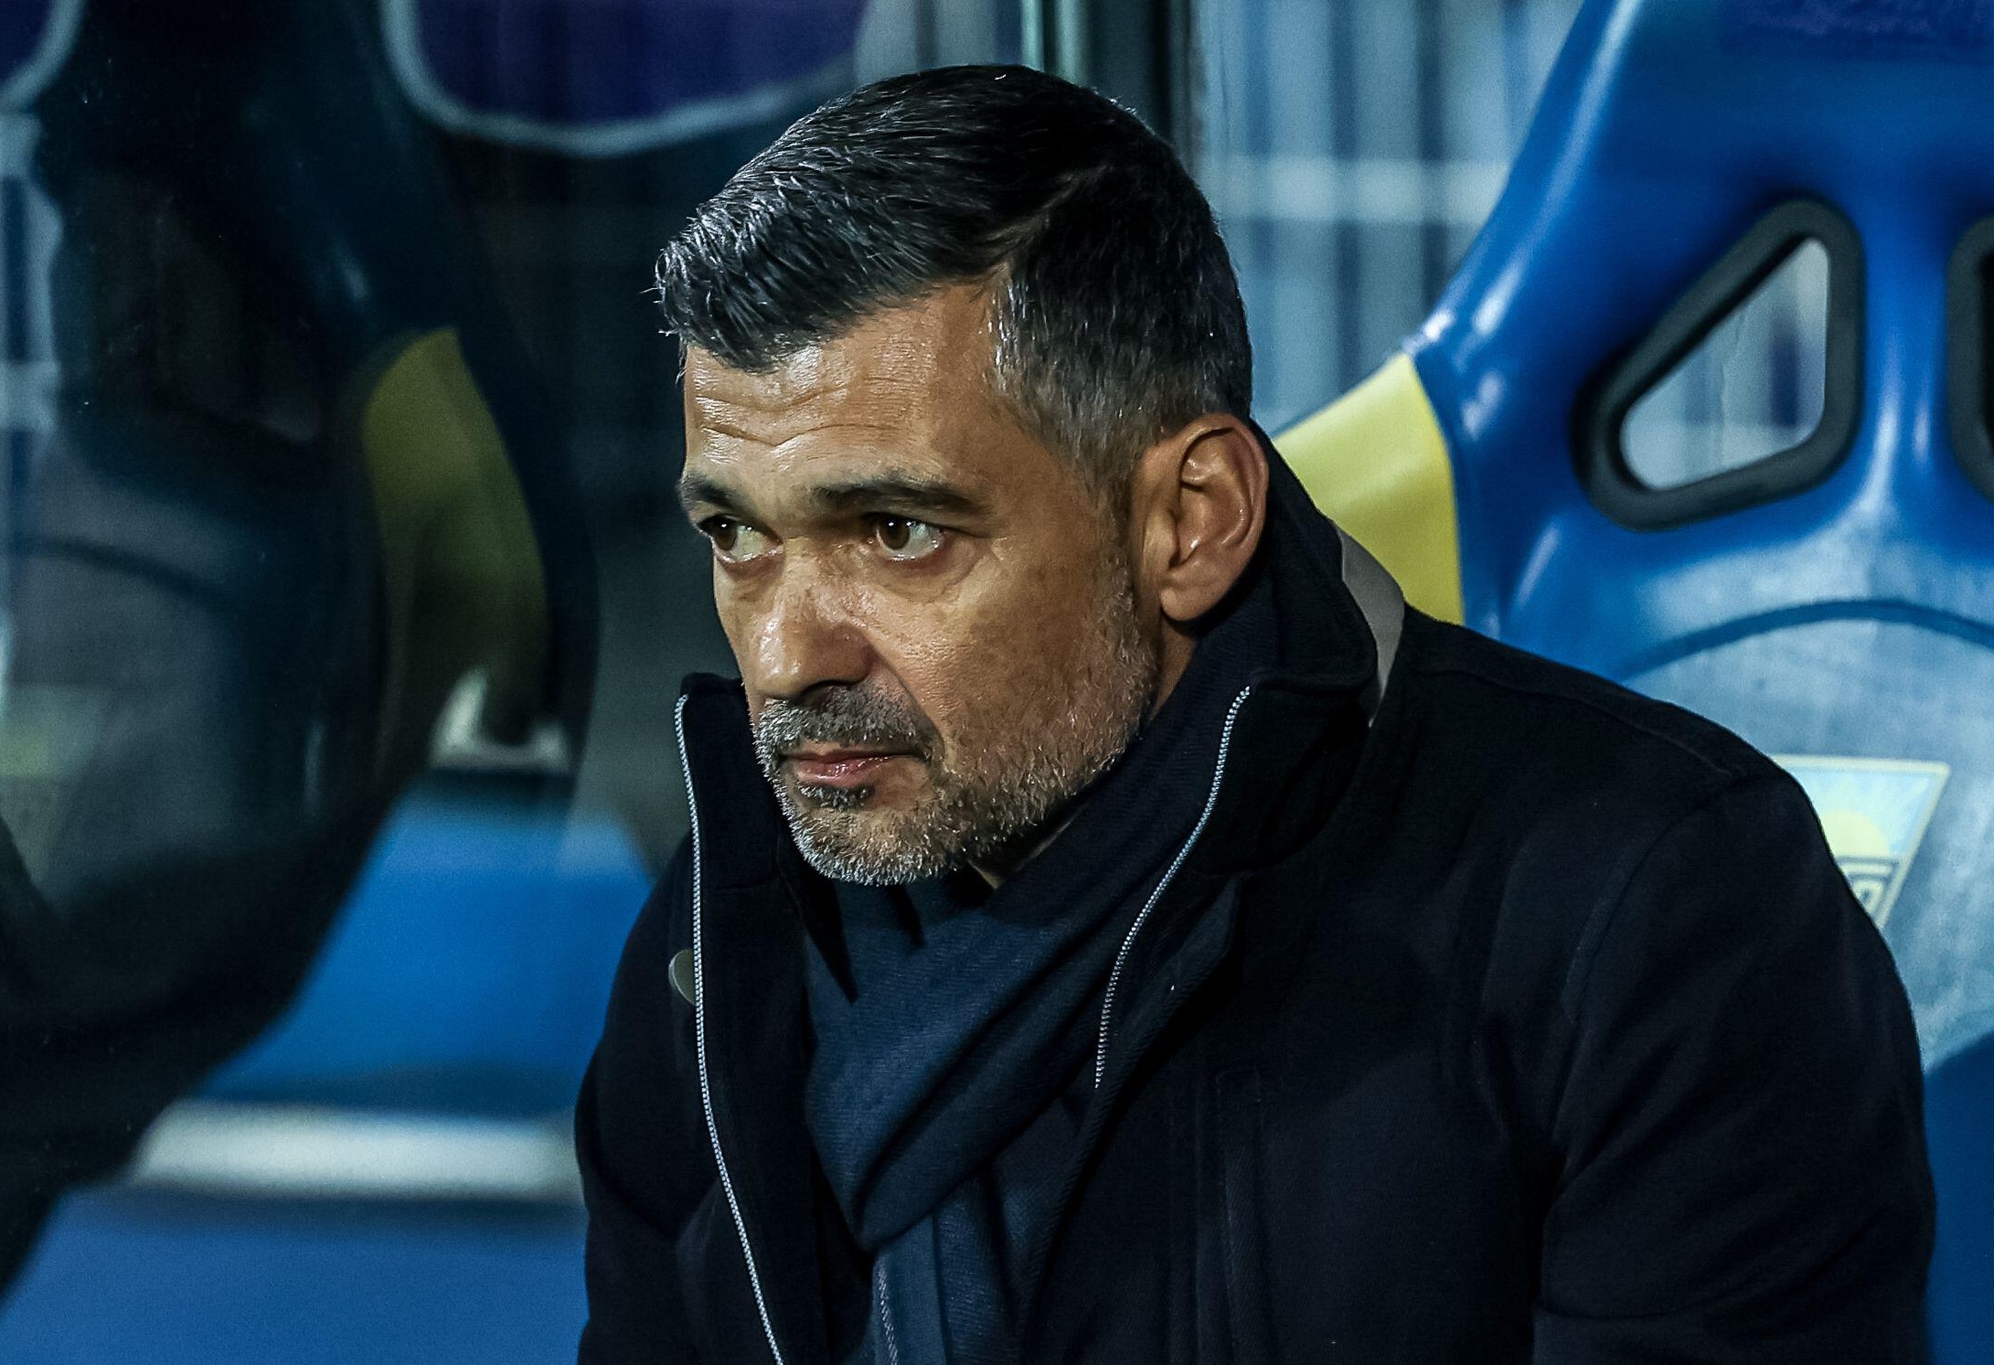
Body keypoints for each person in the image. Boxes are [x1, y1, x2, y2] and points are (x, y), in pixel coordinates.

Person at [575, 65, 1932, 1364]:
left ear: (1192, 522)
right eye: (736, 536)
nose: (789, 650)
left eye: (897, 530)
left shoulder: (1649, 910)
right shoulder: (724, 939)